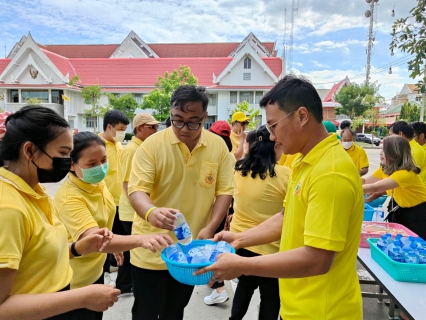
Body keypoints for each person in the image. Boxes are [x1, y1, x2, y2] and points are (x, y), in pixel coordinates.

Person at [195, 75, 364, 320]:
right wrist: (240, 239)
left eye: (274, 126)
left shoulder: (331, 173)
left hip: (323, 311)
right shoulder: (304, 162)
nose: (272, 136)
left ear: (302, 116)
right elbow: (286, 217)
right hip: (298, 303)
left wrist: (241, 265)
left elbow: (317, 259)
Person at [0, 106, 120, 319]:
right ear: (29, 151)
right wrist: (82, 298)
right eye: (63, 153)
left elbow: (34, 257)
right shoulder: (8, 208)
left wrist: (76, 249)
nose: (67, 163)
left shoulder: (34, 191)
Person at [128, 85, 235, 320]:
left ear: (205, 117)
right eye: (177, 121)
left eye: (193, 122)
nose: (184, 129)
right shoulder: (152, 146)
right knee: (145, 313)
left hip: (191, 252)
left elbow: (225, 192)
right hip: (151, 249)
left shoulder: (217, 146)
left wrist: (209, 228)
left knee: (175, 311)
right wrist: (151, 212)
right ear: (170, 113)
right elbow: (136, 191)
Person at [54, 131, 172, 319]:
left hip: (94, 271)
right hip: (73, 280)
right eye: (92, 164)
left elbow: (101, 226)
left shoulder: (96, 185)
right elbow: (96, 240)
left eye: (103, 160)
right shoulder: (70, 198)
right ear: (72, 165)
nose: (100, 167)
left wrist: (113, 244)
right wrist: (141, 239)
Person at [229, 125, 290, 320]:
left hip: (240, 240)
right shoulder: (285, 174)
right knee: (271, 296)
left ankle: (234, 318)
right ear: (274, 147)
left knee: (245, 285)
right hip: (271, 247)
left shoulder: (238, 168)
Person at [118, 113, 161, 294]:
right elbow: (128, 183)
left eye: (156, 127)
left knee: (131, 251)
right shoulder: (133, 150)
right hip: (131, 211)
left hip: (136, 210)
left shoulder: (144, 148)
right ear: (139, 128)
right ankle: (126, 286)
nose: (155, 130)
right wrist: (140, 207)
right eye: (151, 127)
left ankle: (126, 286)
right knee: (132, 253)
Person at [362, 135, 426, 240]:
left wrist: (349, 188)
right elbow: (365, 181)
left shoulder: (405, 173)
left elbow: (374, 187)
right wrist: (348, 180)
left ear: (395, 153)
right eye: (381, 149)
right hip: (402, 209)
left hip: (419, 213)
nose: (380, 152)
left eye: (385, 150)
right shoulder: (385, 169)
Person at [203, 120, 234, 305]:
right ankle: (215, 285)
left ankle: (218, 288)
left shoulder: (216, 154)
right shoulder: (230, 155)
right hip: (224, 210)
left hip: (215, 211)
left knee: (211, 250)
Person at [99, 109, 130, 288]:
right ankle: (101, 282)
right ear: (109, 127)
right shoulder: (96, 145)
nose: (122, 133)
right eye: (120, 129)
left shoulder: (118, 145)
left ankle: (122, 283)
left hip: (120, 202)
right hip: (105, 203)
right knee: (102, 242)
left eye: (125, 129)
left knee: (120, 241)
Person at [390, 120, 426, 185]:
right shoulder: (407, 148)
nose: (389, 139)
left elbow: (406, 178)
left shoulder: (414, 152)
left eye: (391, 136)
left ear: (400, 134)